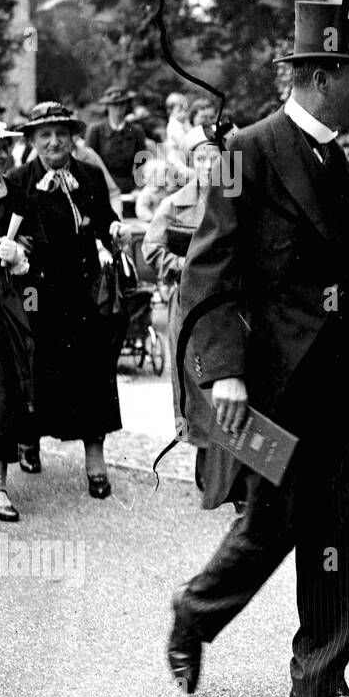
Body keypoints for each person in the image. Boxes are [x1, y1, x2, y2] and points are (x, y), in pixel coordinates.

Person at [165, 2, 349, 697]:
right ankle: (194, 612)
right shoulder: (248, 150)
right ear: (327, 75)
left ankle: (318, 682)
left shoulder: (337, 156)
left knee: (330, 522)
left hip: (332, 381)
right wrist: (223, 371)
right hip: (268, 384)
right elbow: (208, 271)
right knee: (273, 522)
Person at [7, 102, 124, 498]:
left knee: (93, 370)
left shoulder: (88, 175)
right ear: (32, 141)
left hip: (84, 290)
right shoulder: (19, 180)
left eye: (61, 133)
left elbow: (105, 219)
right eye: (45, 135)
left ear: (73, 137)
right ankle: (29, 440)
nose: (54, 142)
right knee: (36, 366)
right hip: (36, 292)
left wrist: (115, 229)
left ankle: (95, 463)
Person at [141, 124, 211, 484]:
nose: (210, 165)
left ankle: (232, 469)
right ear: (190, 163)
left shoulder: (241, 201)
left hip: (231, 306)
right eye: (201, 158)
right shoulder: (174, 203)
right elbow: (151, 248)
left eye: (217, 157)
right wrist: (183, 266)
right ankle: (205, 456)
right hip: (189, 304)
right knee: (195, 381)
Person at [0, 119, 37, 522]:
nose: (3, 153)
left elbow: (37, 246)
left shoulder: (17, 195)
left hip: (4, 308)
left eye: (5, 146)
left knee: (2, 396)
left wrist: (19, 258)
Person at [84, 87, 149, 196]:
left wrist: (138, 189)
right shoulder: (96, 130)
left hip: (129, 189)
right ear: (107, 106)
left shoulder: (136, 131)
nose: (119, 108)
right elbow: (87, 164)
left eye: (122, 104)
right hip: (101, 188)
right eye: (114, 105)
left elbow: (142, 164)